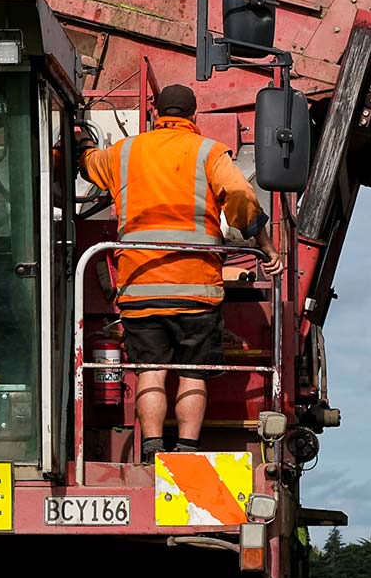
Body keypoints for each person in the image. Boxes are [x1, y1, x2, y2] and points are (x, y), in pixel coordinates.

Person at [81, 83, 284, 463]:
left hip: (140, 288)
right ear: (194, 115)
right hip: (195, 290)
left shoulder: (124, 153)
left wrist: (79, 145)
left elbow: (88, 164)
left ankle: (152, 447)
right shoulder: (207, 151)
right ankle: (187, 453)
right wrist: (265, 246)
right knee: (193, 373)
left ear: (157, 112)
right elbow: (240, 195)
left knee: (150, 371)